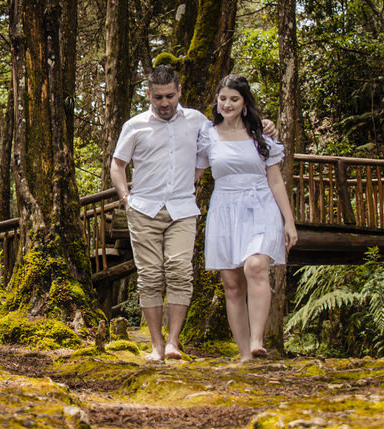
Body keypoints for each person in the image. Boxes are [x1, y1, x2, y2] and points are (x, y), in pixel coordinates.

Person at [109, 65, 275, 362]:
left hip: (182, 209)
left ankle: (173, 342)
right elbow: (117, 164)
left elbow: (230, 131)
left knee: (180, 273)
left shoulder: (198, 122)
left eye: (170, 96)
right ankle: (156, 346)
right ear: (148, 94)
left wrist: (266, 126)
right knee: (149, 277)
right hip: (144, 208)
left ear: (179, 91)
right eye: (158, 97)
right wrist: (126, 199)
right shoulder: (134, 125)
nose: (164, 103)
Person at [194, 74, 298, 362]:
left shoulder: (261, 137)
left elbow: (276, 181)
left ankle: (256, 339)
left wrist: (289, 222)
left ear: (244, 104)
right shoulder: (208, 136)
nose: (227, 104)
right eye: (223, 98)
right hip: (224, 209)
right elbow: (194, 176)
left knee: (256, 265)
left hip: (260, 205)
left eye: (234, 99)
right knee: (232, 284)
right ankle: (244, 356)